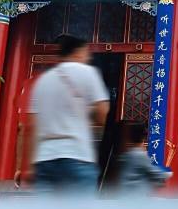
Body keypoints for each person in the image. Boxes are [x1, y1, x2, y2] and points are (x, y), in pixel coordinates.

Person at [23, 34, 109, 191]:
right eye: (86, 53)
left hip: (44, 158)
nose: (88, 58)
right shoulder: (88, 73)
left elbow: (31, 126)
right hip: (76, 154)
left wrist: (29, 166)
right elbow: (103, 114)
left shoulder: (42, 81)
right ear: (78, 52)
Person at [116, 120, 170, 193]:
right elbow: (155, 173)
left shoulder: (126, 155)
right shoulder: (139, 155)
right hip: (135, 195)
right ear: (142, 138)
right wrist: (168, 173)